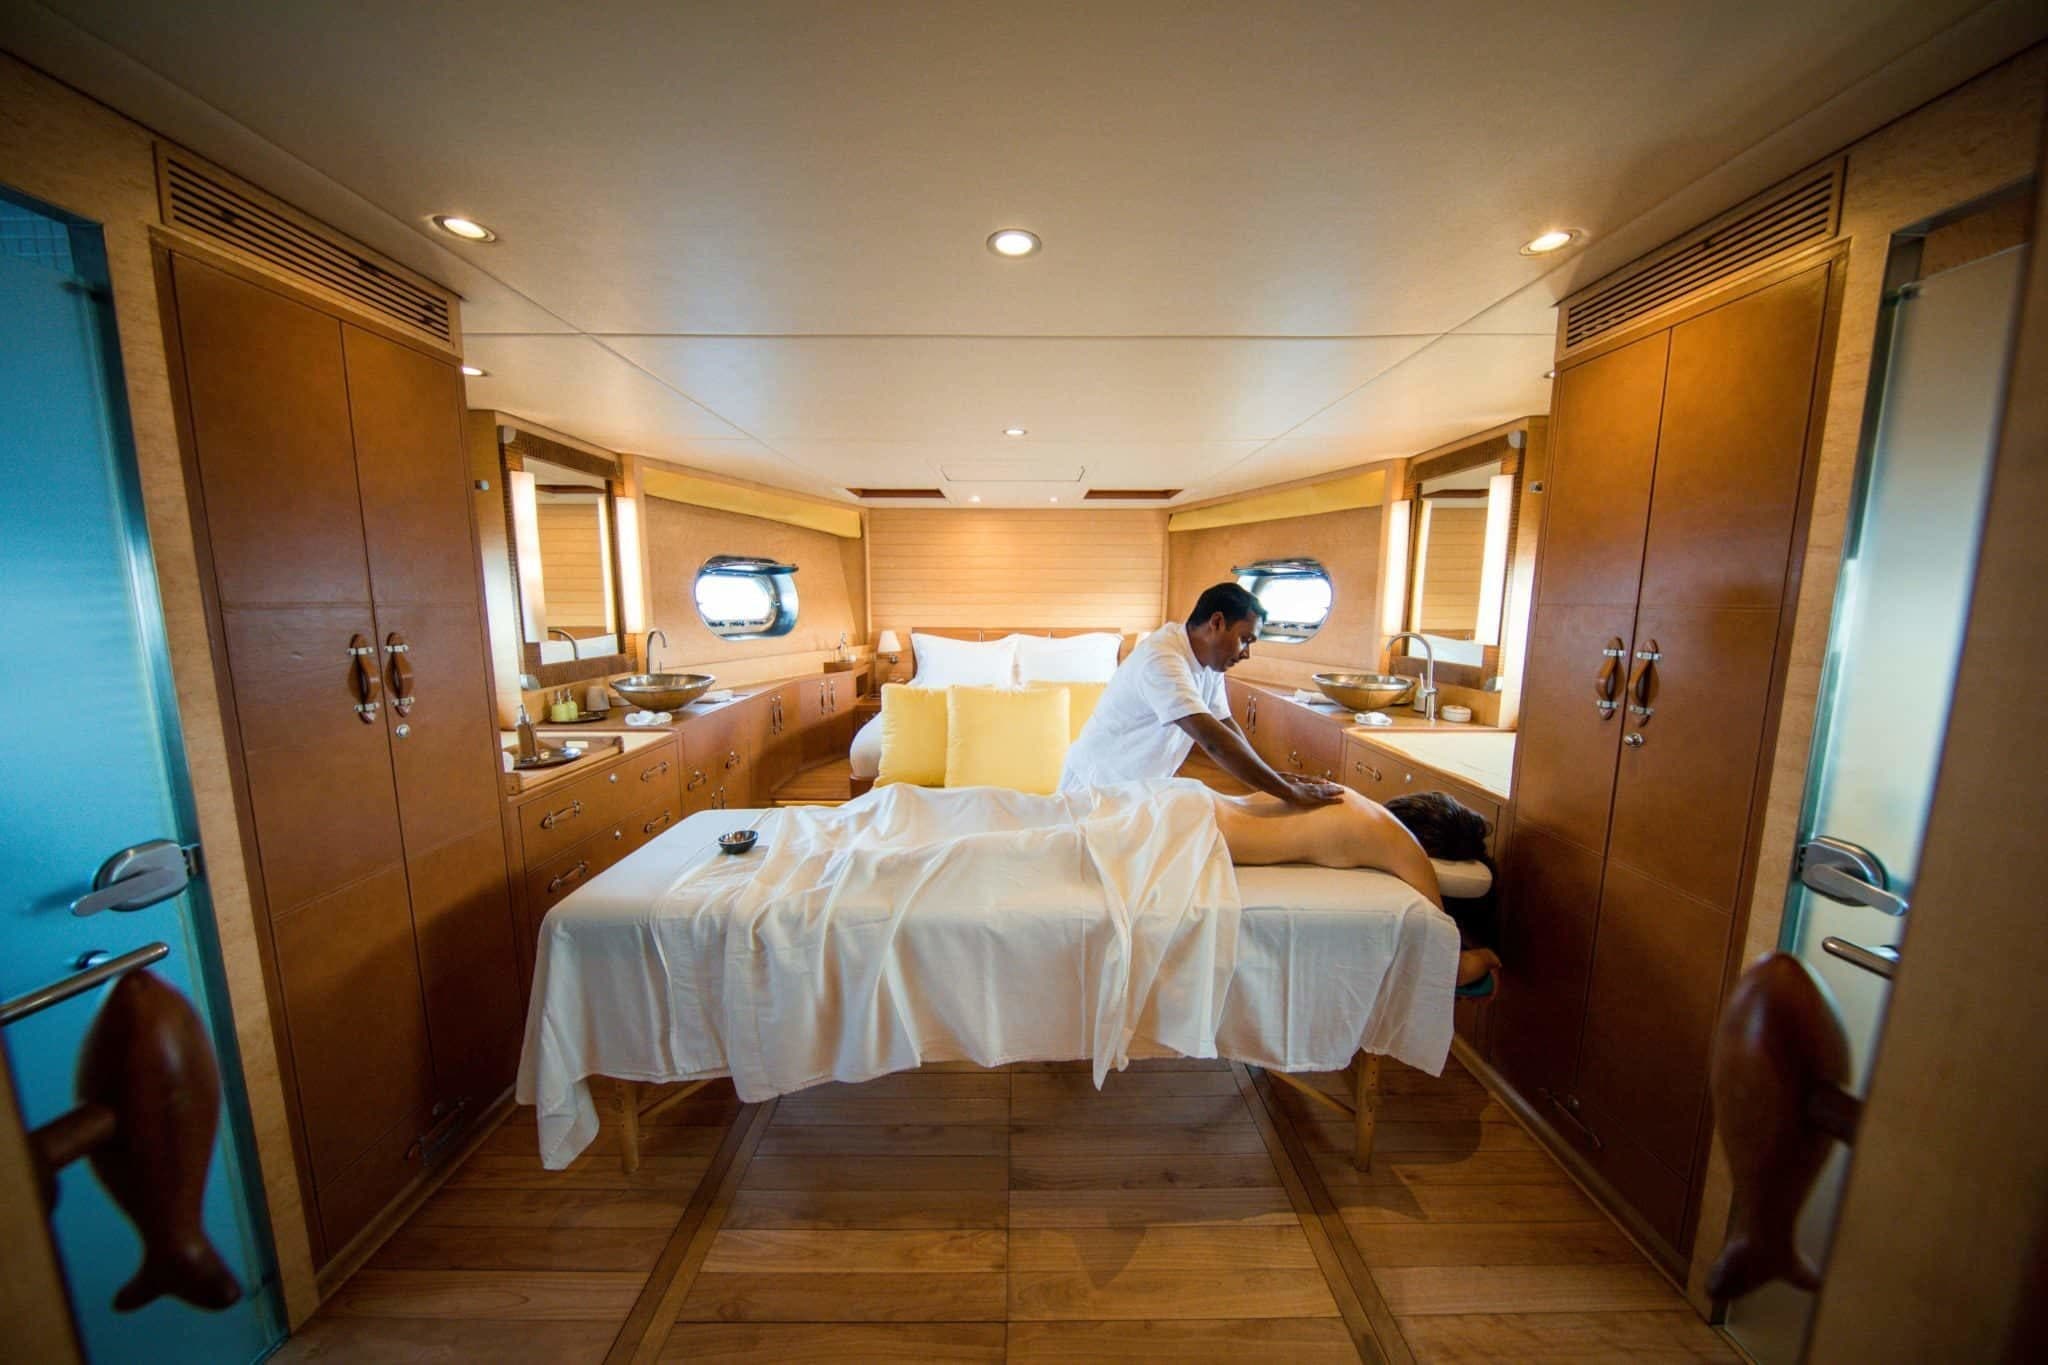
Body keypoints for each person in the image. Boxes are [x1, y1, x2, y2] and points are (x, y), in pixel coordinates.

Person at [1060, 583, 1343, 808]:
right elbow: (1212, 740)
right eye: (1244, 639)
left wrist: (1270, 776)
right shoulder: (1162, 659)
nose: (1246, 653)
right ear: (1217, 622)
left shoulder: (1210, 661)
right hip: (1096, 785)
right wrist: (1288, 792)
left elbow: (1224, 724)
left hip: (1136, 786)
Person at [1209, 784, 1502, 987]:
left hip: (1195, 804)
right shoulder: (1402, 843)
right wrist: (1488, 956)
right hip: (1196, 832)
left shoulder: (1349, 798)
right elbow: (1445, 967)